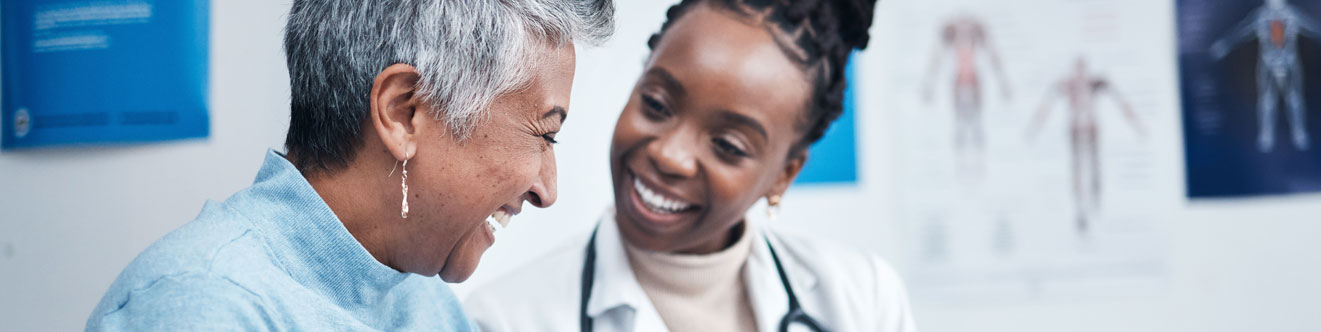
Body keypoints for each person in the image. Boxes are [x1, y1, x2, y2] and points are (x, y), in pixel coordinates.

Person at [85, 0, 613, 330]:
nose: (548, 189)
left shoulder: (424, 302)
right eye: (543, 134)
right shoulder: (200, 306)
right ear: (404, 112)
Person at [465, 0, 916, 331]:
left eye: (727, 145)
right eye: (657, 105)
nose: (669, 155)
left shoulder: (861, 299)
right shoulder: (505, 320)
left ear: (783, 174)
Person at [1026, 57, 1144, 236]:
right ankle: (1081, 211)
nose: (1080, 72)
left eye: (1083, 68)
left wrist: (1136, 124)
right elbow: (1046, 105)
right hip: (1075, 130)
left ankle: (1096, 203)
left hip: (1091, 129)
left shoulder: (1094, 83)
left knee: (1094, 169)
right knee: (1077, 170)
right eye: (1077, 68)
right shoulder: (1067, 84)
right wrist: (1034, 128)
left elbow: (1120, 101)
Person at [1209, 0, 1321, 152]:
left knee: (1294, 97)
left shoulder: (1291, 14)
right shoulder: (1261, 15)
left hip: (1290, 60)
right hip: (1268, 60)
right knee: (1266, 99)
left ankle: (1299, 133)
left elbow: (1313, 28)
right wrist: (1224, 44)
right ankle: (1266, 135)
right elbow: (1242, 31)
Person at [921, 13, 1011, 180]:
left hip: (974, 79)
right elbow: (937, 58)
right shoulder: (950, 30)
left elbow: (993, 56)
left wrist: (1003, 83)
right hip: (958, 80)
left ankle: (980, 165)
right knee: (960, 126)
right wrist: (929, 85)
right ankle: (960, 166)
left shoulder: (977, 29)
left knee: (976, 125)